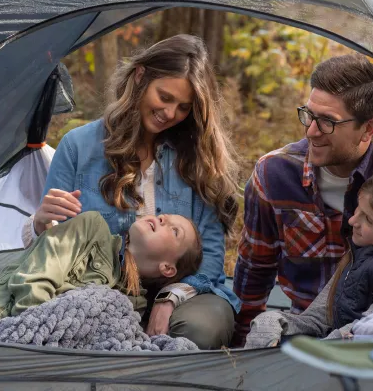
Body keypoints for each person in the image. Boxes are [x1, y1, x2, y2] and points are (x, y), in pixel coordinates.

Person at [21, 34, 241, 349]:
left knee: (200, 327)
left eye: (183, 107)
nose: (170, 113)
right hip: (96, 288)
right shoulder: (79, 146)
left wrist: (169, 298)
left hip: (185, 292)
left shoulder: (196, 157)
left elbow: (211, 253)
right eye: (164, 97)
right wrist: (40, 222)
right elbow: (53, 244)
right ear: (140, 76)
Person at [233, 54, 373, 342]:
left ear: (368, 129)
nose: (311, 131)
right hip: (302, 325)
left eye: (327, 122)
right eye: (308, 115)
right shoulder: (275, 174)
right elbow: (255, 270)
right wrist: (245, 350)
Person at [0, 211, 203, 339]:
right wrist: (38, 339)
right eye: (163, 216)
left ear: (168, 268)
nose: (161, 218)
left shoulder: (133, 306)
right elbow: (34, 279)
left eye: (174, 230)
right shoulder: (92, 228)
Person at [244, 170, 373, 348]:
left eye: (369, 220)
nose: (353, 220)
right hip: (331, 348)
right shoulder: (358, 253)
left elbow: (365, 333)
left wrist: (316, 352)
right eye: (358, 209)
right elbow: (319, 318)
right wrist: (274, 321)